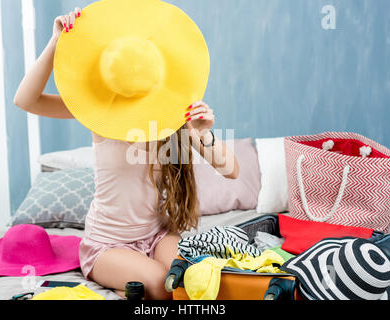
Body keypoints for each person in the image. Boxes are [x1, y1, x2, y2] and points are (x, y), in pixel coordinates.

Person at [14, 7, 239, 300]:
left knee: (187, 283)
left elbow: (230, 170)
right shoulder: (100, 115)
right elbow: (26, 99)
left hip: (157, 236)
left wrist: (201, 131)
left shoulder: (173, 115)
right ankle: (128, 286)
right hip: (108, 245)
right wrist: (56, 42)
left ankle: (130, 289)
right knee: (161, 285)